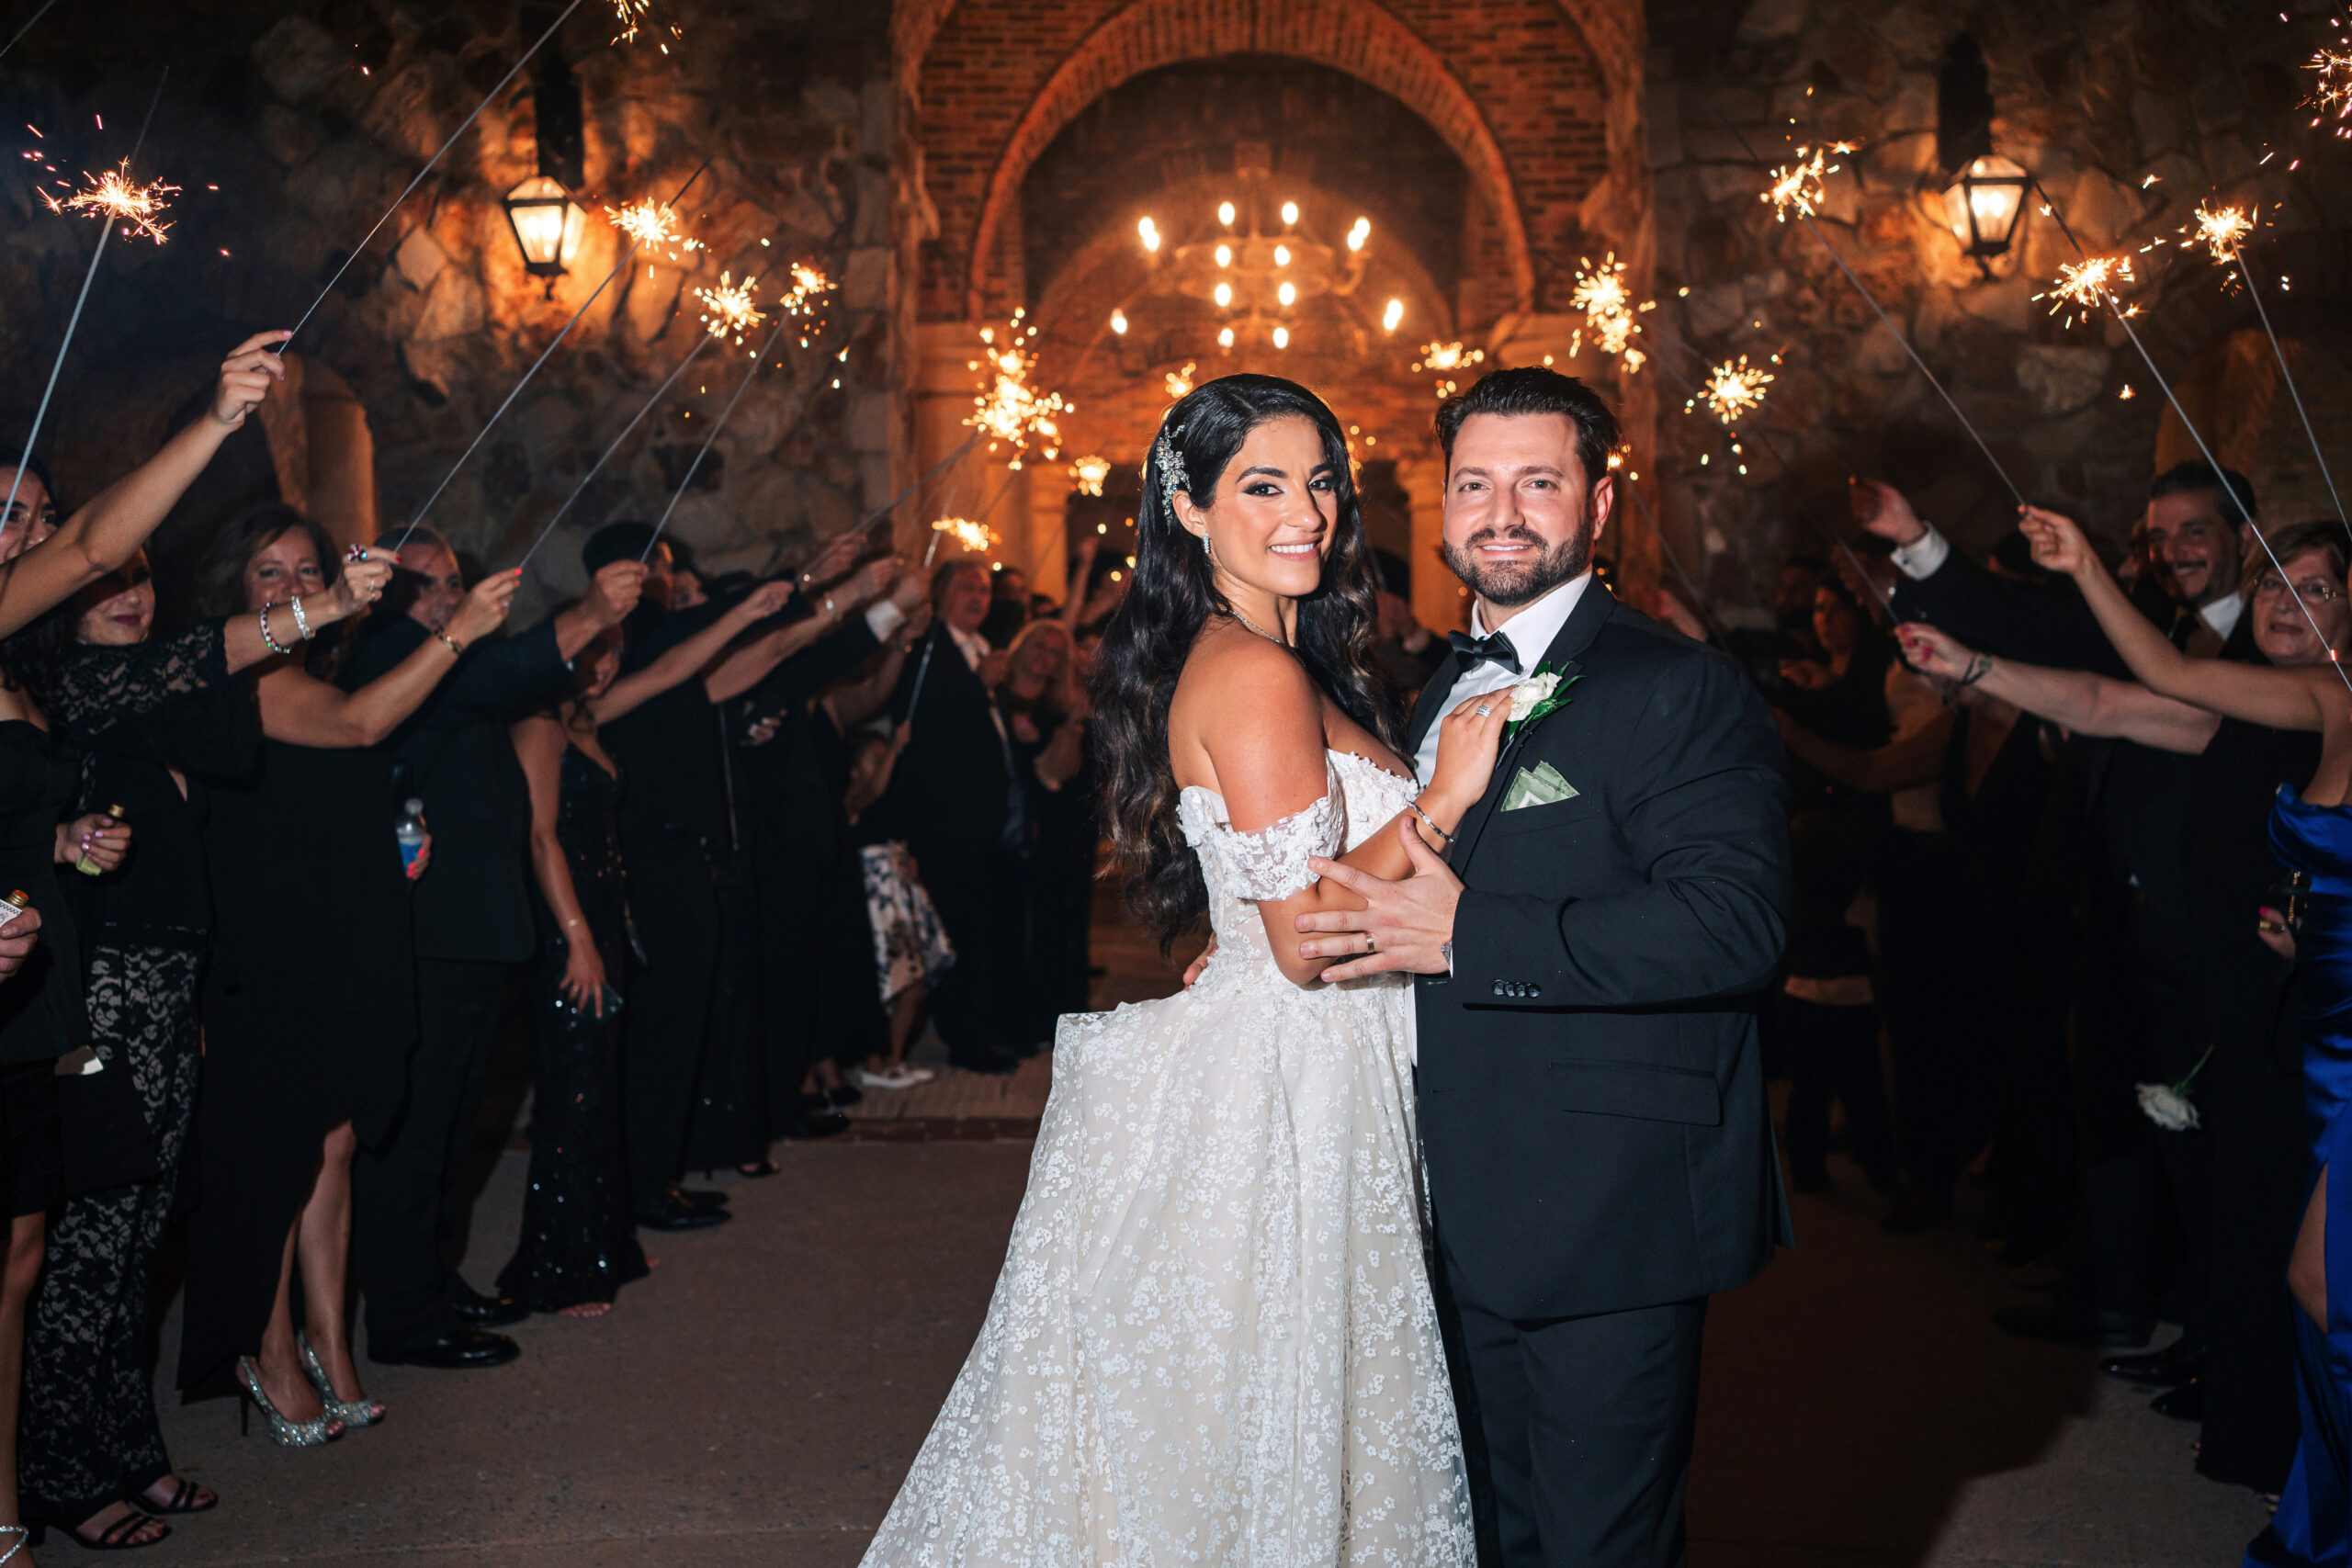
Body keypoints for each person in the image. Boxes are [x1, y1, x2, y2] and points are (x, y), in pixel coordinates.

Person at [864, 375, 1509, 1566]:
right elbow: (1305, 940)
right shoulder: (1255, 671)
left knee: (1258, 1414)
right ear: (1189, 506)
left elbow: (1274, 897)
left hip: (1307, 1057)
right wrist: (1445, 799)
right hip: (1291, 1080)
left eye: (1320, 481)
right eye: (1263, 485)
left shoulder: (1278, 656)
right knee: (1268, 1407)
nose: (1305, 512)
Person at [1292, 366, 1791, 1565]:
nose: (1501, 513)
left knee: (1595, 1545)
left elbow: (1736, 922)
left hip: (1607, 1203)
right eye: (1475, 484)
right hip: (1447, 1194)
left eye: (1537, 483)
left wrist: (1470, 936)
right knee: (1489, 1534)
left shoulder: (1676, 684)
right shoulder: (1433, 686)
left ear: (1599, 503)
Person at [1996, 505, 2352, 1564]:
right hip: (2312, 1027)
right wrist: (2080, 565)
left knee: (2319, 1279)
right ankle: (2318, 1494)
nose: (2286, 602)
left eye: (2311, 587)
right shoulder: (2325, 698)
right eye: (2274, 583)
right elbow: (2153, 676)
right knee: (2307, 1276)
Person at [1860, 466, 2261, 1350]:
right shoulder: (2148, 623)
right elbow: (2033, 625)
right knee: (2112, 1115)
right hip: (2117, 917)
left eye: (2196, 531)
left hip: (2220, 934)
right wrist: (1917, 539)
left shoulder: (2275, 646)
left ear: (2245, 535)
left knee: (2216, 1145)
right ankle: (2120, 1303)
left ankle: (2215, 1339)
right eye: (2160, 535)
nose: (2174, 552)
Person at [175, 504, 514, 1439]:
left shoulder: (311, 670)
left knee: (334, 1146)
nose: (290, 587)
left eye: (305, 571)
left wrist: (396, 841)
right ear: (236, 590)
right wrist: (458, 632)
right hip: (270, 950)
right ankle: (268, 1345)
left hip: (337, 938)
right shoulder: (250, 678)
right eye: (269, 573)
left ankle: (330, 1340)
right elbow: (362, 726)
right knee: (284, 1155)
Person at [341, 525, 644, 1369]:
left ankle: (435, 1284)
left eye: (452, 580)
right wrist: (589, 612)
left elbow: (509, 681)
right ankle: (405, 1316)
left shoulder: (454, 662)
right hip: (429, 936)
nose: (447, 596)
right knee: (418, 1131)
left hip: (475, 933)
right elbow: (503, 673)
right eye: (426, 585)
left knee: (452, 1128)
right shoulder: (392, 657)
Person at [880, 561, 1030, 1075]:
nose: (978, 597)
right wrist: (975, 686)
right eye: (966, 587)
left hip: (988, 820)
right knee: (957, 934)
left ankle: (989, 1028)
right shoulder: (929, 650)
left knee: (984, 930)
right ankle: (965, 1039)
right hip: (946, 821)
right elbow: (920, 724)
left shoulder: (983, 647)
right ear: (940, 594)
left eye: (984, 589)